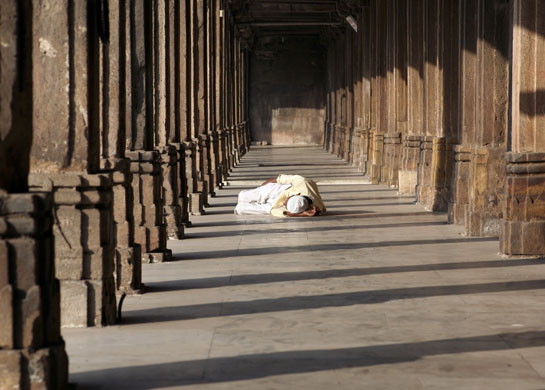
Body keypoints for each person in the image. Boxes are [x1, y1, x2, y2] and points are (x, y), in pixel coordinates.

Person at [234, 174, 326, 217]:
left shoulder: (311, 208)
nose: (284, 203)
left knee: (240, 209)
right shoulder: (303, 182)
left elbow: (276, 212)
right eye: (287, 201)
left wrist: (301, 214)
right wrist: (266, 186)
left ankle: (241, 206)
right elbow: (280, 179)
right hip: (278, 190)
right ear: (297, 194)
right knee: (243, 196)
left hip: (275, 205)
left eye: (286, 205)